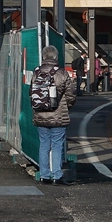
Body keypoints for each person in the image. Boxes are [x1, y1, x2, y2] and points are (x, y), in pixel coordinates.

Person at [31, 45, 77, 185]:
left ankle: (44, 176)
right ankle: (57, 175)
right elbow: (71, 94)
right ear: (56, 57)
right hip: (57, 115)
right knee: (57, 145)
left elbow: (31, 92)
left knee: (44, 144)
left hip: (40, 114)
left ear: (44, 57)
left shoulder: (36, 72)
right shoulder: (61, 73)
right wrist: (65, 106)